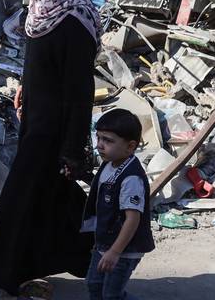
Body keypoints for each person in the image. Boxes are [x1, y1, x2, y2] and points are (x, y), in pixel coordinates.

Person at [0, 0, 101, 295]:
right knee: (51, 199)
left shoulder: (74, 20)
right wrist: (25, 88)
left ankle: (0, 277)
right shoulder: (44, 7)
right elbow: (38, 63)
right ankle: (95, 251)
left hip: (55, 131)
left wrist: (73, 151)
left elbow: (80, 92)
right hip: (36, 119)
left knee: (19, 200)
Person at [82, 109, 155, 300]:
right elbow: (104, 188)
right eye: (98, 138)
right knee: (93, 284)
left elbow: (133, 219)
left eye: (108, 140)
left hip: (124, 249)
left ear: (130, 146)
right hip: (105, 243)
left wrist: (115, 252)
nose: (100, 145)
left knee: (111, 294)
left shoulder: (131, 178)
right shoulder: (110, 163)